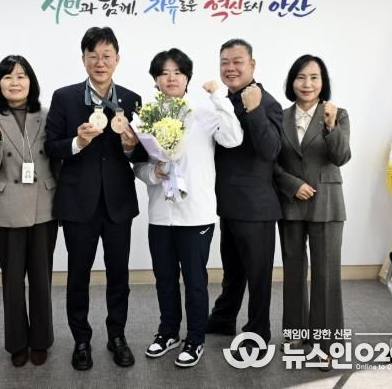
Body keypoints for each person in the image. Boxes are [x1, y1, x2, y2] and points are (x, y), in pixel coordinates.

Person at [44, 26, 147, 371]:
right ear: (83, 59)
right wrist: (78, 142)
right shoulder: (65, 97)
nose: (100, 62)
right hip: (78, 203)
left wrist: (131, 147)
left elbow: (142, 154)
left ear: (117, 59)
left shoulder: (132, 99)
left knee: (119, 276)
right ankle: (81, 340)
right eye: (93, 56)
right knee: (78, 276)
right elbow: (51, 146)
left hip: (118, 203)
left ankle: (117, 336)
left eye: (106, 56)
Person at [134, 48, 243, 368]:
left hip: (196, 213)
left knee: (195, 281)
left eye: (178, 73)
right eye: (164, 73)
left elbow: (234, 138)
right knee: (164, 278)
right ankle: (168, 332)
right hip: (161, 213)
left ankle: (195, 338)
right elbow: (138, 166)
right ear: (156, 79)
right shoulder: (146, 117)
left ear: (187, 78)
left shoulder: (205, 112)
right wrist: (153, 173)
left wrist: (219, 96)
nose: (171, 78)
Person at [0, 55, 58, 367]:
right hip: (4, 208)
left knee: (41, 278)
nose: (15, 82)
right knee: (11, 281)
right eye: (8, 76)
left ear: (30, 82)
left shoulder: (47, 115)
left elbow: (58, 158)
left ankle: (41, 340)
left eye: (21, 76)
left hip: (43, 207)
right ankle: (17, 343)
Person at [207, 39, 283, 358]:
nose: (230, 68)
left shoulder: (267, 103)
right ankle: (224, 317)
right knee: (233, 269)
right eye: (225, 62)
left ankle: (258, 332)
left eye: (237, 61)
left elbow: (270, 150)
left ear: (252, 65)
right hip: (227, 203)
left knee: (258, 276)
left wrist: (254, 109)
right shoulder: (222, 100)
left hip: (256, 207)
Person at [274, 55, 351, 366]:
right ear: (292, 82)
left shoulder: (338, 114)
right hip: (291, 203)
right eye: (301, 77)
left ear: (323, 82)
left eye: (314, 77)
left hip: (327, 203)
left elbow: (341, 156)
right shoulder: (279, 117)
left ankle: (327, 343)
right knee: (293, 272)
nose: (307, 84)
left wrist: (331, 126)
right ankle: (295, 334)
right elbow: (270, 162)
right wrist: (291, 184)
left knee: (326, 274)